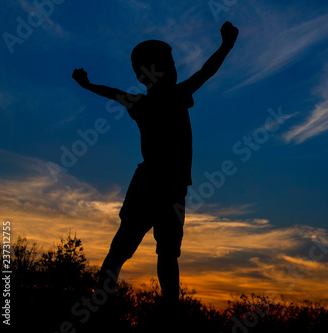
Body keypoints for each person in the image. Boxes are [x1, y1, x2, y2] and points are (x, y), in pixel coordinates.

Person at [72, 21, 239, 318]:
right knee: (136, 249)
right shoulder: (164, 98)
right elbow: (206, 71)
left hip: (170, 186)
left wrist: (88, 85)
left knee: (159, 251)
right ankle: (109, 307)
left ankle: (162, 312)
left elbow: (113, 92)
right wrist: (225, 45)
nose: (174, 69)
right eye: (169, 64)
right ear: (149, 72)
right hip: (155, 185)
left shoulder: (149, 101)